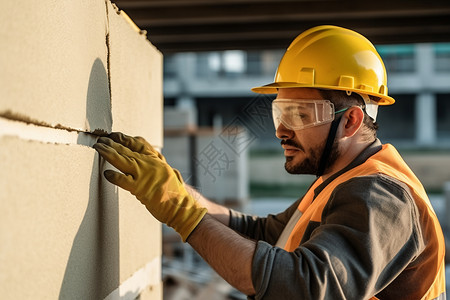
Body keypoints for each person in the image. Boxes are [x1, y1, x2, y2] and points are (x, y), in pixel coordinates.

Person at [93, 25, 446, 299]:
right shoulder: (340, 180)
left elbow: (303, 288)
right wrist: (174, 188)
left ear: (351, 121)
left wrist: (181, 212)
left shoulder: (381, 196)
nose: (281, 130)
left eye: (300, 114)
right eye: (280, 111)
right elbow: (265, 235)